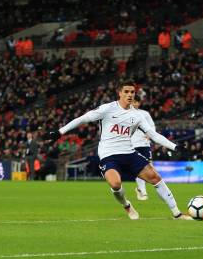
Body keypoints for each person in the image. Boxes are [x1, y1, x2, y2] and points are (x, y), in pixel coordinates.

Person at [45, 80, 192, 220]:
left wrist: (175, 146)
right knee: (115, 184)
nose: (130, 95)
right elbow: (83, 119)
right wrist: (59, 132)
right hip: (109, 155)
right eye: (126, 91)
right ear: (119, 93)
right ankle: (127, 205)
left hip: (129, 153)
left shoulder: (137, 116)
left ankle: (177, 214)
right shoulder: (107, 109)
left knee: (155, 177)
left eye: (132, 92)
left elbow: (153, 134)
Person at [131, 97, 155, 201]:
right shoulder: (126, 113)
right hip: (132, 144)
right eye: (133, 101)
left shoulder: (145, 114)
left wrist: (150, 135)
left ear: (139, 103)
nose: (135, 103)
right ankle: (142, 191)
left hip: (145, 144)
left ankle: (140, 188)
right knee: (138, 168)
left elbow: (152, 126)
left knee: (149, 168)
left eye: (136, 102)